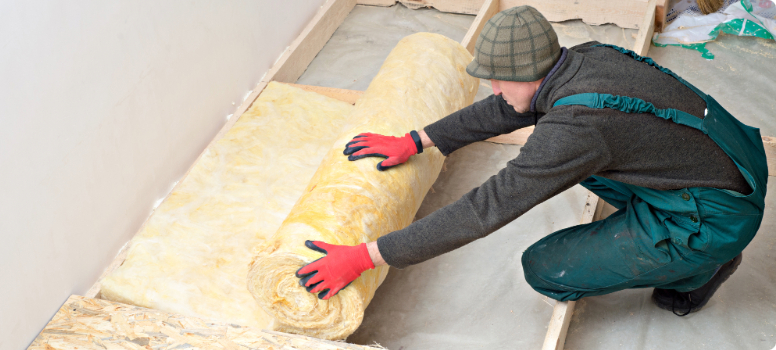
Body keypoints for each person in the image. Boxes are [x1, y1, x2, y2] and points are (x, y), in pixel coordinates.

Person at [294, 6, 768, 316]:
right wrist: (420, 139)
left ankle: (702, 265)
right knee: (575, 151)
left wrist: (366, 256)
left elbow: (486, 208)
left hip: (714, 215)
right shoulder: (582, 57)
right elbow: (510, 105)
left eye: (499, 80)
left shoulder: (576, 128)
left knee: (545, 268)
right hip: (727, 160)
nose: (494, 90)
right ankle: (669, 228)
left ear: (531, 71)